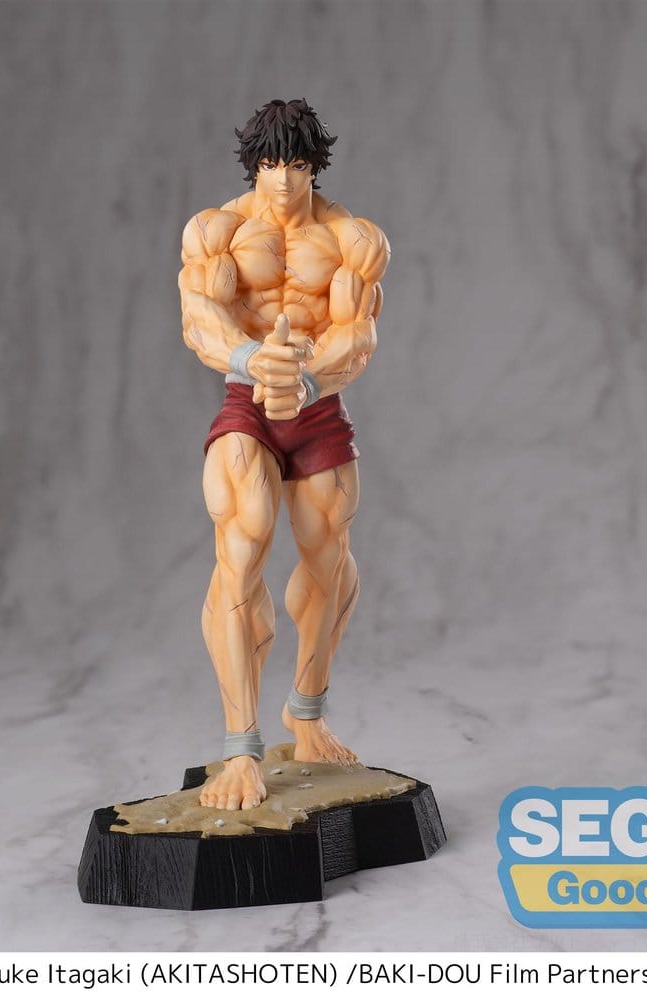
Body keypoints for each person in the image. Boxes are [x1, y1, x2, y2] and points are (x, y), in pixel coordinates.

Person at [179, 99, 390, 810]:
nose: (282, 180)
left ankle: (307, 716)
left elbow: (357, 334)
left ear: (314, 166)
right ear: (253, 165)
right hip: (248, 404)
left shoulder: (352, 239)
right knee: (240, 552)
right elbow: (199, 317)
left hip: (316, 404)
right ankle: (241, 749)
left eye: (296, 165)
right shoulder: (217, 231)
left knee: (328, 559)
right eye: (270, 164)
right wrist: (251, 359)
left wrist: (307, 378)